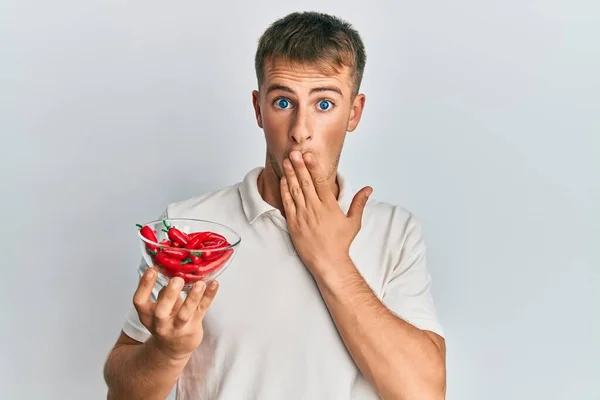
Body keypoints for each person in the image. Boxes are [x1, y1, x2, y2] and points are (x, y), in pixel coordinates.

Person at [103, 11, 446, 400]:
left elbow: (425, 392)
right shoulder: (188, 227)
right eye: (283, 101)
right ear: (257, 109)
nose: (300, 131)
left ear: (354, 112)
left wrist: (331, 261)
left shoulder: (394, 232)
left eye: (324, 104)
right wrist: (166, 353)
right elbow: (121, 391)